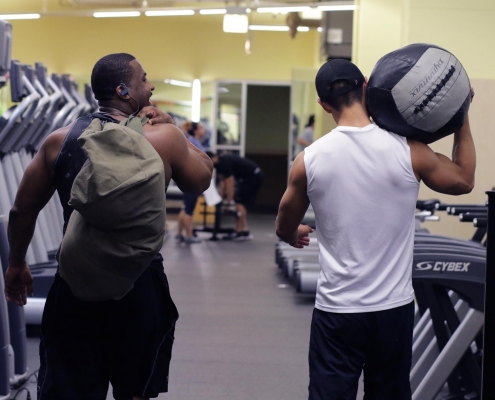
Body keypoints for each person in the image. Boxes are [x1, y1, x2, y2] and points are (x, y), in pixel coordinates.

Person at [4, 53, 213, 400]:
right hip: (140, 283)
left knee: (71, 389)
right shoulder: (163, 138)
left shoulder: (60, 140)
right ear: (124, 91)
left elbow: (21, 211)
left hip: (76, 282)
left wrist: (15, 264)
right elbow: (201, 179)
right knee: (135, 391)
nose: (151, 86)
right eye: (144, 79)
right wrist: (176, 129)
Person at [275, 59, 475, 400]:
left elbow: (283, 224)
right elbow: (464, 180)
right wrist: (462, 114)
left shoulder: (308, 160)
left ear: (324, 105)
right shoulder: (409, 150)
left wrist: (294, 234)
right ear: (367, 85)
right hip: (392, 311)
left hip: (337, 311)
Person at [206, 152, 263, 241]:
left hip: (253, 177)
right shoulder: (219, 164)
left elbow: (230, 183)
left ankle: (241, 232)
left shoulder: (225, 162)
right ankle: (243, 230)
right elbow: (223, 182)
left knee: (239, 203)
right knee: (239, 202)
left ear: (213, 158)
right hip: (250, 177)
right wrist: (220, 198)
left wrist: (229, 202)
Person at [176, 120, 208, 244]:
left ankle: (179, 234)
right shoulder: (193, 143)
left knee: (185, 208)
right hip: (192, 179)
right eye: (201, 128)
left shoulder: (194, 142)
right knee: (189, 208)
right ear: (195, 131)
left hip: (189, 179)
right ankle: (189, 236)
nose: (204, 130)